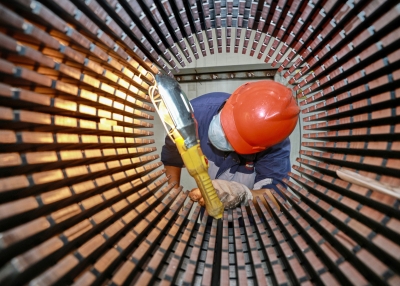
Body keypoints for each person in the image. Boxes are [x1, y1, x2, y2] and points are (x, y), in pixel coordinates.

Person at [161, 80, 300, 209]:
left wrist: (244, 195)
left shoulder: (273, 142)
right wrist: (173, 198)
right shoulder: (194, 114)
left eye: (234, 139)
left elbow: (275, 199)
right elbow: (172, 156)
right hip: (209, 213)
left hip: (252, 218)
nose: (224, 136)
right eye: (225, 125)